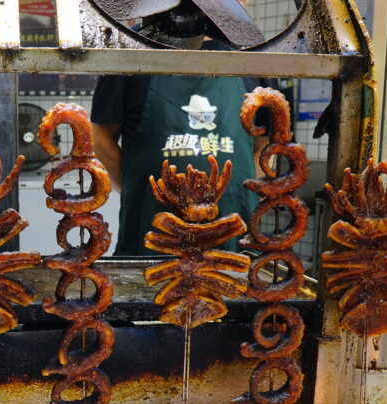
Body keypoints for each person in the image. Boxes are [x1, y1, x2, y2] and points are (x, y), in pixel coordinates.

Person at [90, 43, 270, 256]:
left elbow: (265, 145)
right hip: (152, 226)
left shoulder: (255, 54)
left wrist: (243, 195)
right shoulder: (130, 48)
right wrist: (139, 191)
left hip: (234, 226)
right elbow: (101, 138)